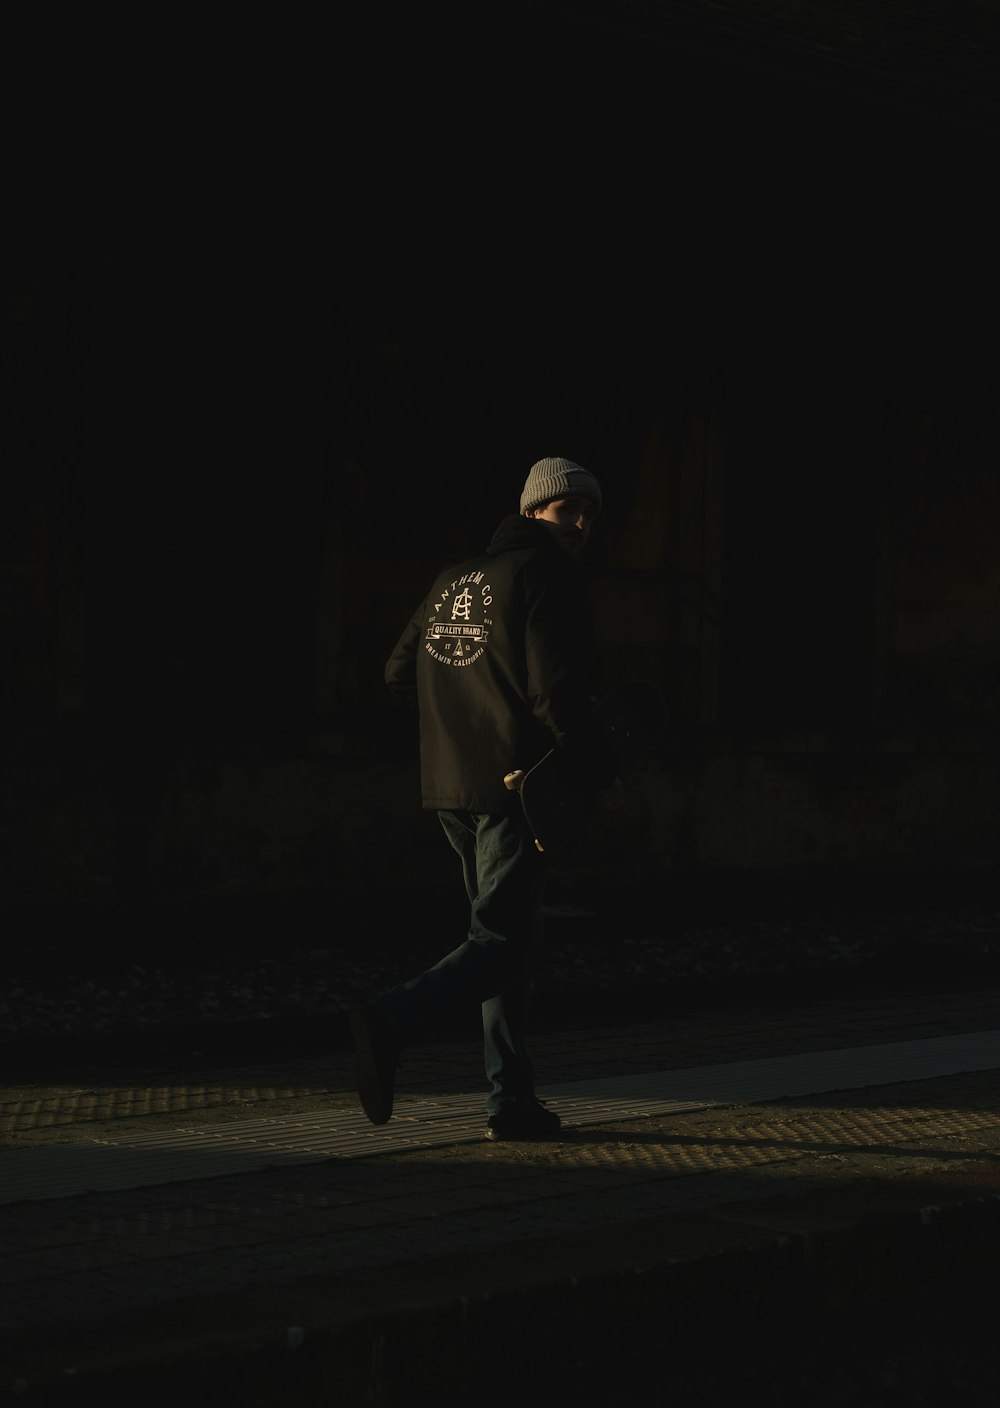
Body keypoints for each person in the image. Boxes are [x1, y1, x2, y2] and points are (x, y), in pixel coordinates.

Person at [349, 456, 614, 1141]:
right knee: (501, 944)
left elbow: (399, 673)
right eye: (568, 509)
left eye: (590, 511)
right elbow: (556, 693)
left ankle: (511, 1101)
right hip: (516, 789)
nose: (581, 523)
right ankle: (389, 1018)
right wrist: (588, 766)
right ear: (533, 511)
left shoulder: (452, 579)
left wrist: (461, 722)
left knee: (502, 944)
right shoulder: (545, 573)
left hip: (451, 789)